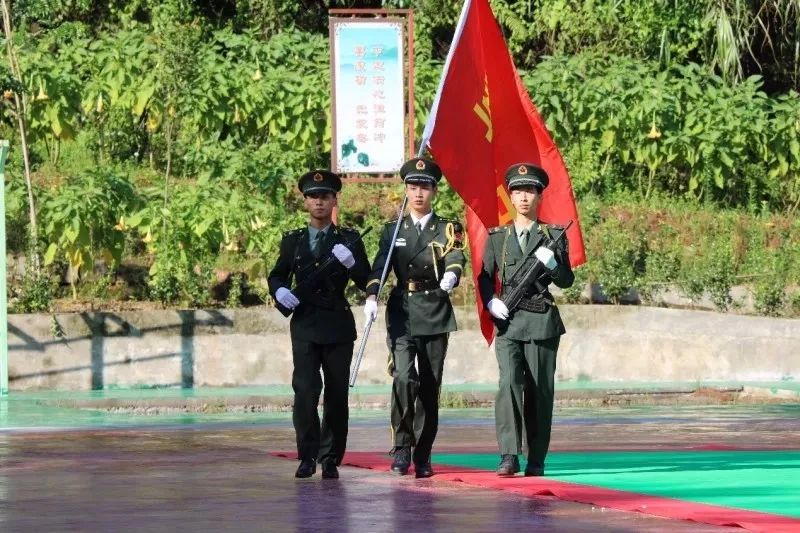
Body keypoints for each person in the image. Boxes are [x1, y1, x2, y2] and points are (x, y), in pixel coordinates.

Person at [364, 156, 466, 478]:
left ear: (434, 190)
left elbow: (456, 255)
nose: (418, 193)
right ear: (406, 190)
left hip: (434, 308)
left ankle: (423, 453)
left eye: (424, 186)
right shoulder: (394, 229)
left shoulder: (447, 227)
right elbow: (380, 266)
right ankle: (401, 446)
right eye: (412, 186)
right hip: (402, 311)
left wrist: (452, 274)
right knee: (404, 377)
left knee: (429, 385)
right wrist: (371, 295)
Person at [268, 170, 371, 479]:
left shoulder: (348, 239)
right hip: (305, 324)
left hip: (337, 324)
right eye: (313, 197)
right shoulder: (293, 241)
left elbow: (366, 280)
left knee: (337, 395)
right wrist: (279, 291)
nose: (319, 202)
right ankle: (307, 456)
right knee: (305, 392)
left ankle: (330, 458)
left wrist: (352, 263)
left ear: (334, 200)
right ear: (305, 202)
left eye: (325, 196)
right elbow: (278, 274)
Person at [477, 163, 574, 477]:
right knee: (508, 384)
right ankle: (508, 454)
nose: (523, 197)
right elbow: (484, 276)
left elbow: (566, 280)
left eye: (530, 191)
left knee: (540, 391)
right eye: (517, 191)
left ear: (539, 196)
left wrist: (554, 264)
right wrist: (490, 301)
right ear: (510, 196)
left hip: (542, 321)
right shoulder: (498, 237)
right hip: (509, 322)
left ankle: (536, 458)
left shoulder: (553, 235)